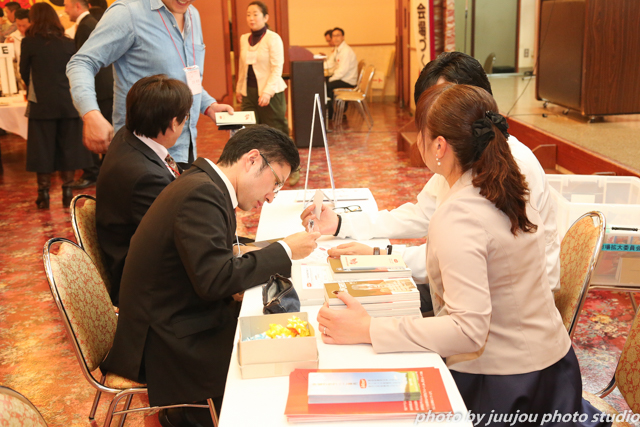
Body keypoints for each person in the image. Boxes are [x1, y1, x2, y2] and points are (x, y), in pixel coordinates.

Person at [316, 83, 609, 427]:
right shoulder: (506, 183)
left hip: (507, 387)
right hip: (552, 368)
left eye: (421, 133)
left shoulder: (460, 212)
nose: (417, 140)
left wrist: (370, 329)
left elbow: (468, 330)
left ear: (439, 145)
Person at [302, 51, 560, 312]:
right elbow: (420, 214)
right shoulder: (462, 155)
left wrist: (381, 255)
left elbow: (459, 258)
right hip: (467, 288)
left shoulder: (508, 167)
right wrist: (342, 223)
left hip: (506, 305)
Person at [100, 125, 321, 427]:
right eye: (276, 183)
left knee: (280, 327)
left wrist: (259, 249)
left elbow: (212, 254)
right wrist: (285, 250)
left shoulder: (204, 183)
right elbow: (215, 280)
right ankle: (192, 415)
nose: (271, 197)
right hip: (167, 342)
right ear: (252, 160)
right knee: (284, 353)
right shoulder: (202, 194)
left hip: (172, 316)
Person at [66, 0, 234, 169]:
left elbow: (185, 76)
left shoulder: (193, 14)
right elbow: (82, 62)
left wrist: (209, 106)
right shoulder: (128, 12)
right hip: (142, 153)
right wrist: (90, 113)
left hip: (185, 146)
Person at [96, 75, 190, 307]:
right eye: (185, 117)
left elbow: (173, 171)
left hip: (136, 258)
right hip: (148, 290)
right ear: (173, 123)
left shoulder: (128, 136)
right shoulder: (145, 178)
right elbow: (179, 241)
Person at [20, 2, 92, 209]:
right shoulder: (68, 42)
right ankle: (67, 190)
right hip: (68, 103)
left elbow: (24, 72)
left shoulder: (29, 42)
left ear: (34, 19)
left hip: (41, 104)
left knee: (42, 149)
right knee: (68, 148)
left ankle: (43, 193)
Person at [64, 0, 114, 189]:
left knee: (99, 132)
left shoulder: (86, 25)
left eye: (67, 6)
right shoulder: (90, 23)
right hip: (104, 86)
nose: (65, 11)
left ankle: (96, 174)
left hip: (99, 88)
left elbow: (83, 63)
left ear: (77, 6)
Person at [325, 27, 357, 119]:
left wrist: (331, 79)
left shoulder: (346, 51)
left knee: (326, 85)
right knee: (323, 82)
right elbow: (330, 63)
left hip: (347, 81)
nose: (335, 38)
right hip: (342, 78)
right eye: (333, 36)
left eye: (338, 35)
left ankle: (331, 114)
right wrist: (316, 66)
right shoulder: (338, 49)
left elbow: (342, 71)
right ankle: (331, 111)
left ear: (343, 37)